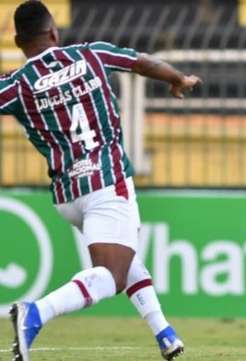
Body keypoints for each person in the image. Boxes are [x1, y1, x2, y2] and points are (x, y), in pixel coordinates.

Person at [3, 2, 201, 360]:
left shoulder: (17, 85)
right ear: (54, 32)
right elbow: (142, 62)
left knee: (123, 257)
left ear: (18, 41)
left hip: (67, 196)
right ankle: (36, 313)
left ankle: (165, 334)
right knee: (111, 274)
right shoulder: (91, 54)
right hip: (108, 182)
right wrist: (177, 78)